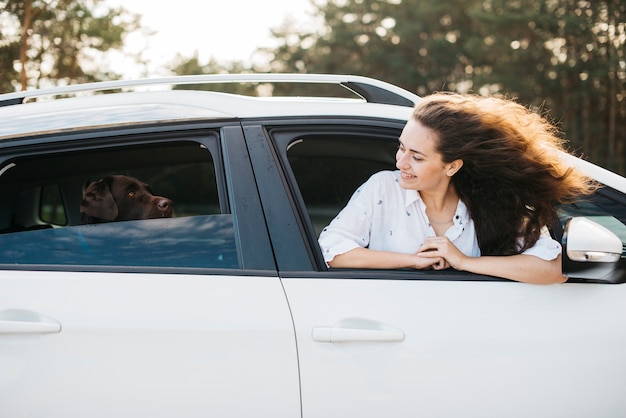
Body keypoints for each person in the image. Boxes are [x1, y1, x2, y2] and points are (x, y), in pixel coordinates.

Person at [318, 92, 596, 284]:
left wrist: (463, 261)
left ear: (452, 166)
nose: (401, 162)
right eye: (401, 147)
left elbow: (551, 269)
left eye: (417, 156)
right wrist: (414, 261)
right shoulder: (382, 189)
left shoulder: (491, 203)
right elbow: (333, 251)